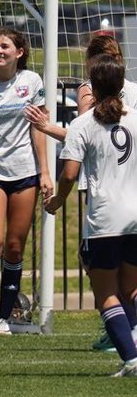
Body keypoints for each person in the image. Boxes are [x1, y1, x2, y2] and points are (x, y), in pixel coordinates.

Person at [25, 34, 137, 351]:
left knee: (104, 288)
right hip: (135, 211)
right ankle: (129, 332)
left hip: (105, 213)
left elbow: (71, 171)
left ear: (92, 82)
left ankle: (129, 355)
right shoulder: (133, 115)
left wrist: (57, 201)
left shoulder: (85, 122)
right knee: (130, 286)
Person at [0, 27, 53, 335]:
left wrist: (44, 172)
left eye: (5, 46)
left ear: (19, 52)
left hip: (25, 174)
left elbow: (38, 128)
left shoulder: (32, 82)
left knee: (15, 248)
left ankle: (5, 317)